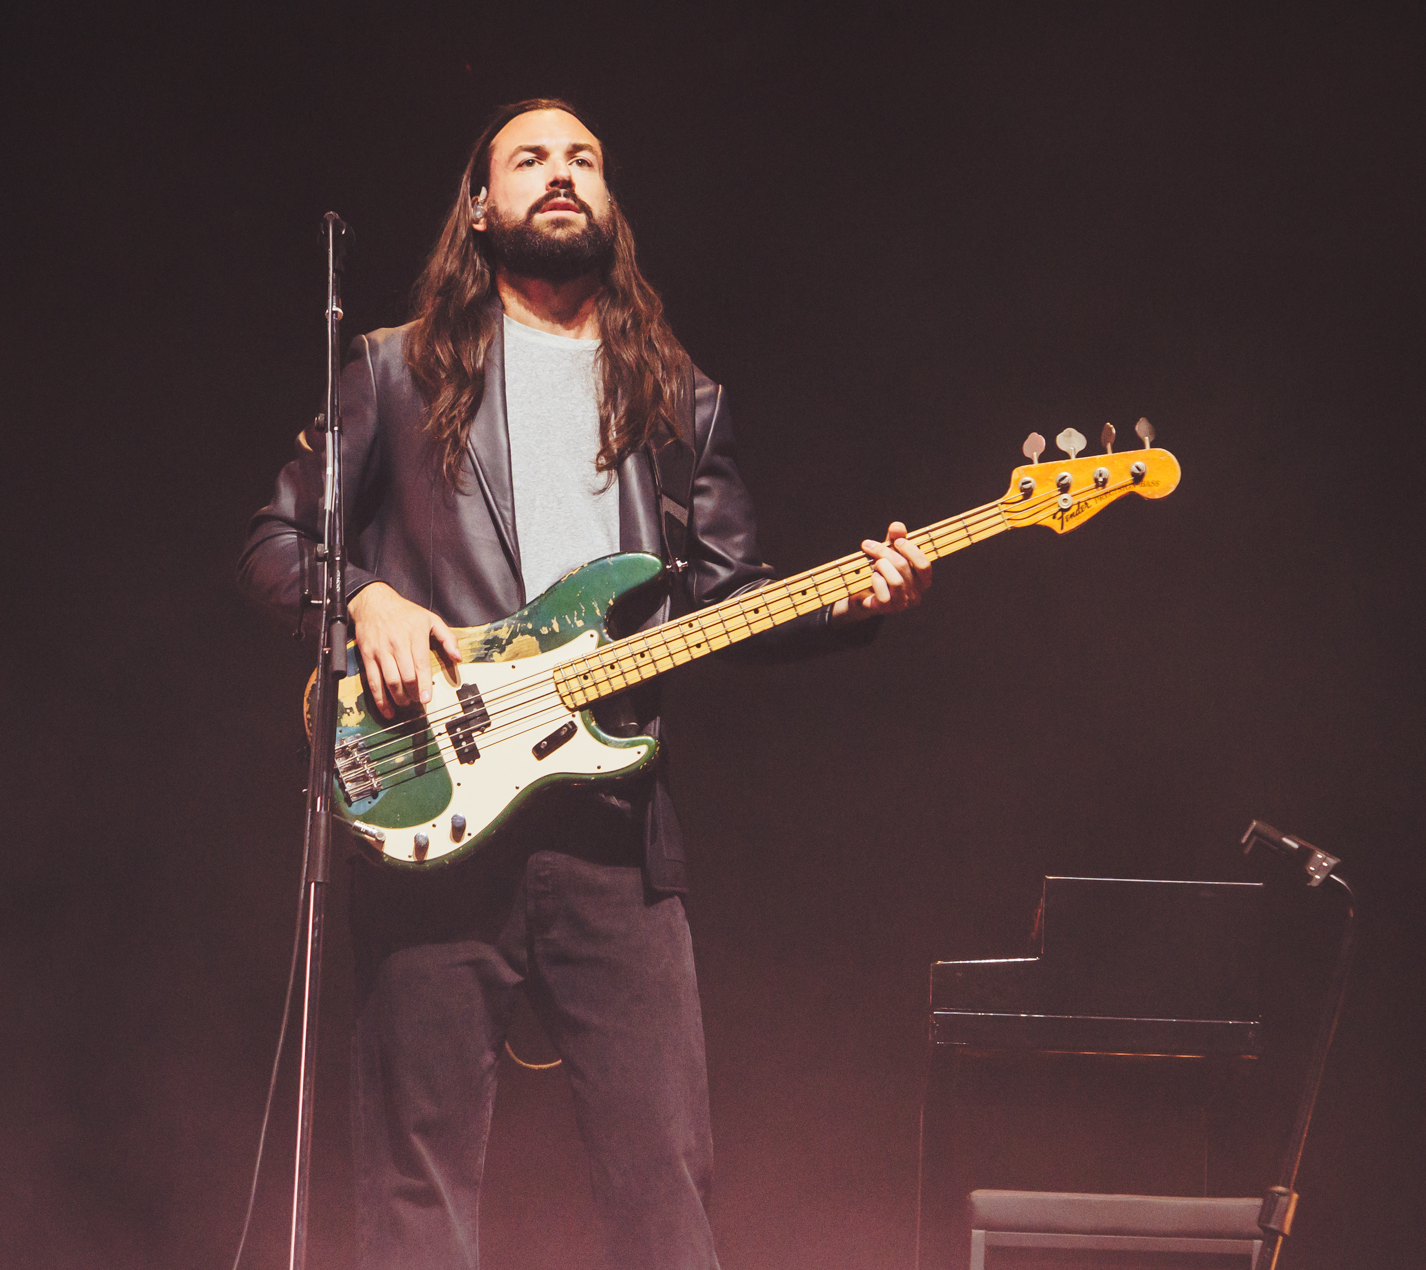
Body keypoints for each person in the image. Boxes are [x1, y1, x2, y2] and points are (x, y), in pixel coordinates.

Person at [239, 98, 930, 1270]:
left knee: (662, 1178)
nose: (560, 175)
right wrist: (364, 598)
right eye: (529, 159)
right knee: (418, 1183)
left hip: (615, 834)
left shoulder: (675, 398)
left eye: (583, 160)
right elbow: (272, 542)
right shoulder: (394, 371)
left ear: (606, 203)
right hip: (433, 812)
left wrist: (845, 608)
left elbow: (719, 598)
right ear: (480, 205)